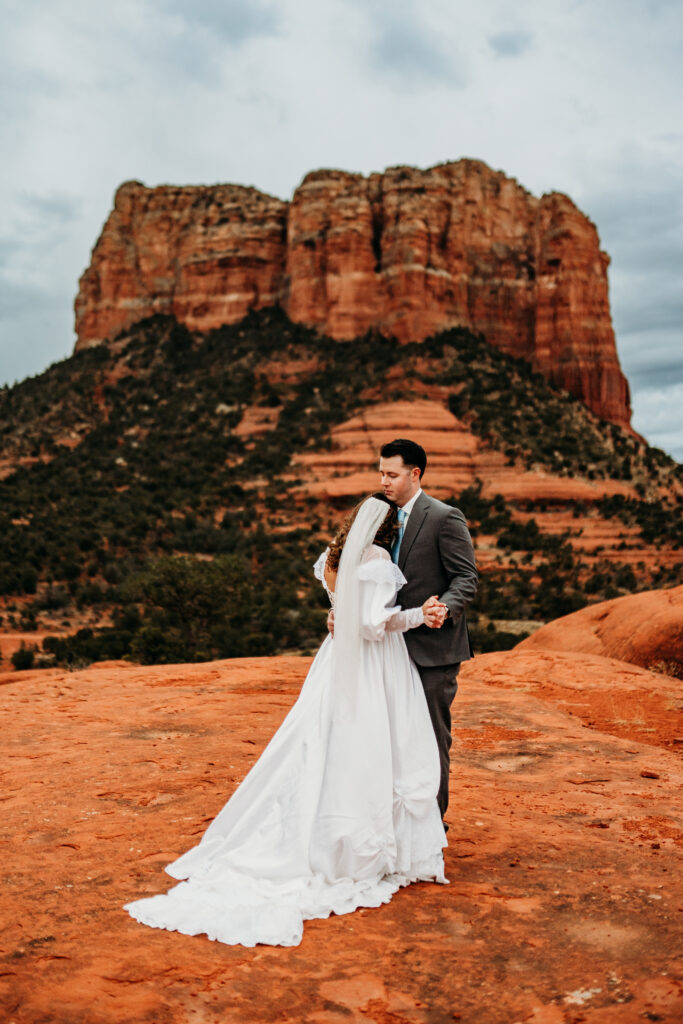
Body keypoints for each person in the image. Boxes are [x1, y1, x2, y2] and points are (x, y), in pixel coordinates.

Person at [124, 494, 449, 947]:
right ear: (383, 527)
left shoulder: (332, 559)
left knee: (326, 740)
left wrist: (340, 615)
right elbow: (374, 624)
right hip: (374, 664)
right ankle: (357, 842)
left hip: (336, 662)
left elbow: (345, 612)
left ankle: (319, 823)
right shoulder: (375, 559)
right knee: (375, 744)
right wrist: (419, 615)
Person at [379, 439, 478, 823]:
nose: (384, 480)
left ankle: (431, 825)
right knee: (393, 737)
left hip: (434, 650)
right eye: (382, 473)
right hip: (389, 648)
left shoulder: (444, 517)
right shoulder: (380, 518)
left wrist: (445, 609)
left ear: (414, 474)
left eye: (392, 474)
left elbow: (465, 578)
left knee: (432, 738)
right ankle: (399, 817)